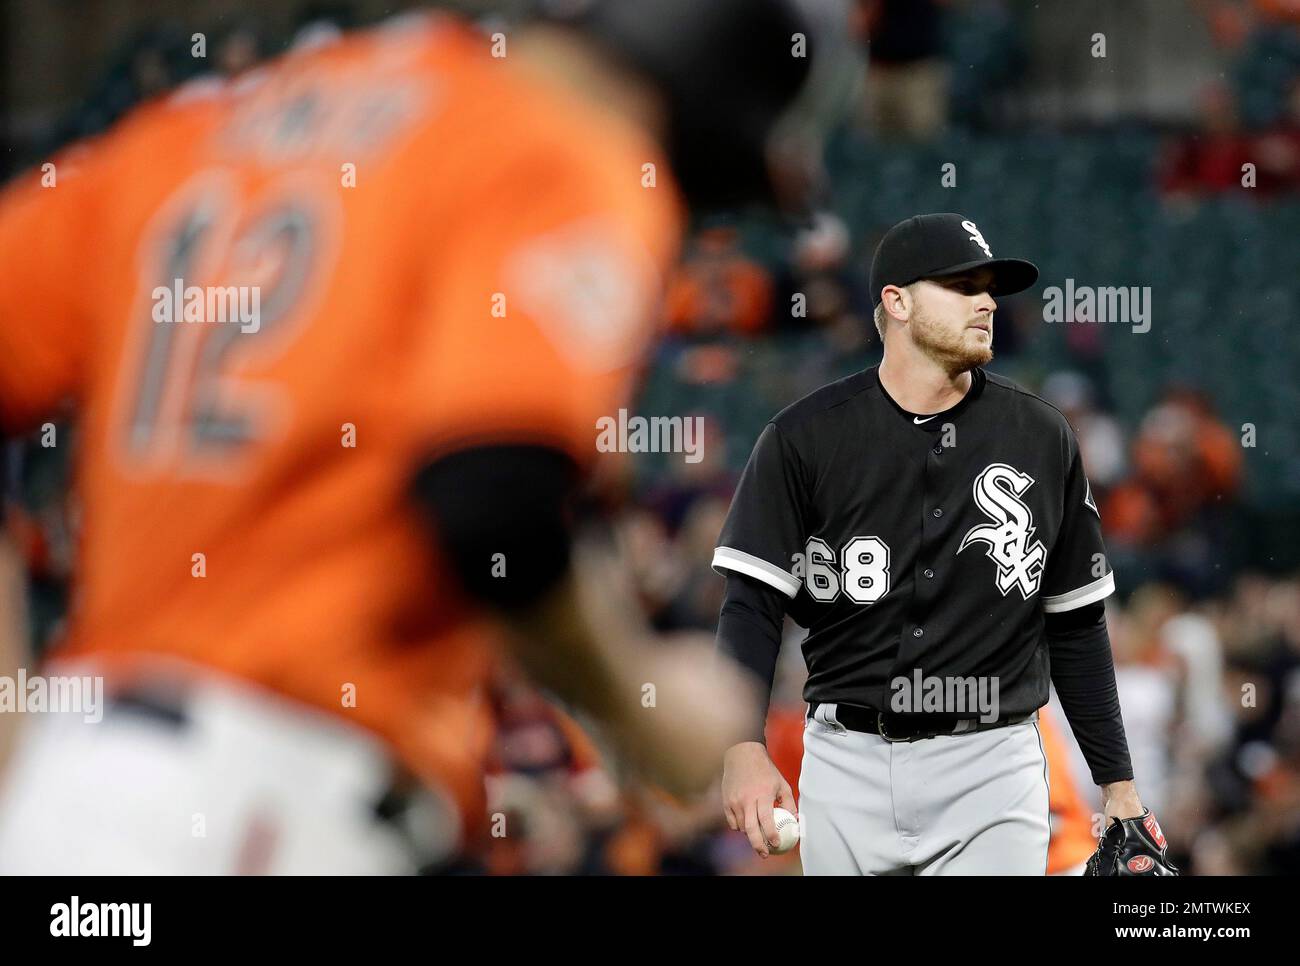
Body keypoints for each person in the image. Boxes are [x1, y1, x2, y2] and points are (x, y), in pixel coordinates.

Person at [0, 0, 827, 874]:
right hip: (275, 797)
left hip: (83, 783)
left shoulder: (201, 125)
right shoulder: (565, 136)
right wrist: (646, 705)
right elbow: (492, 503)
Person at [713, 212, 1178, 875]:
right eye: (961, 286)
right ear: (896, 302)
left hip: (989, 763)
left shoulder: (1041, 437)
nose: (986, 301)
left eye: (989, 287)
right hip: (844, 761)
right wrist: (742, 748)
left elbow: (1076, 624)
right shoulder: (804, 439)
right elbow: (751, 607)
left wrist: (1120, 788)